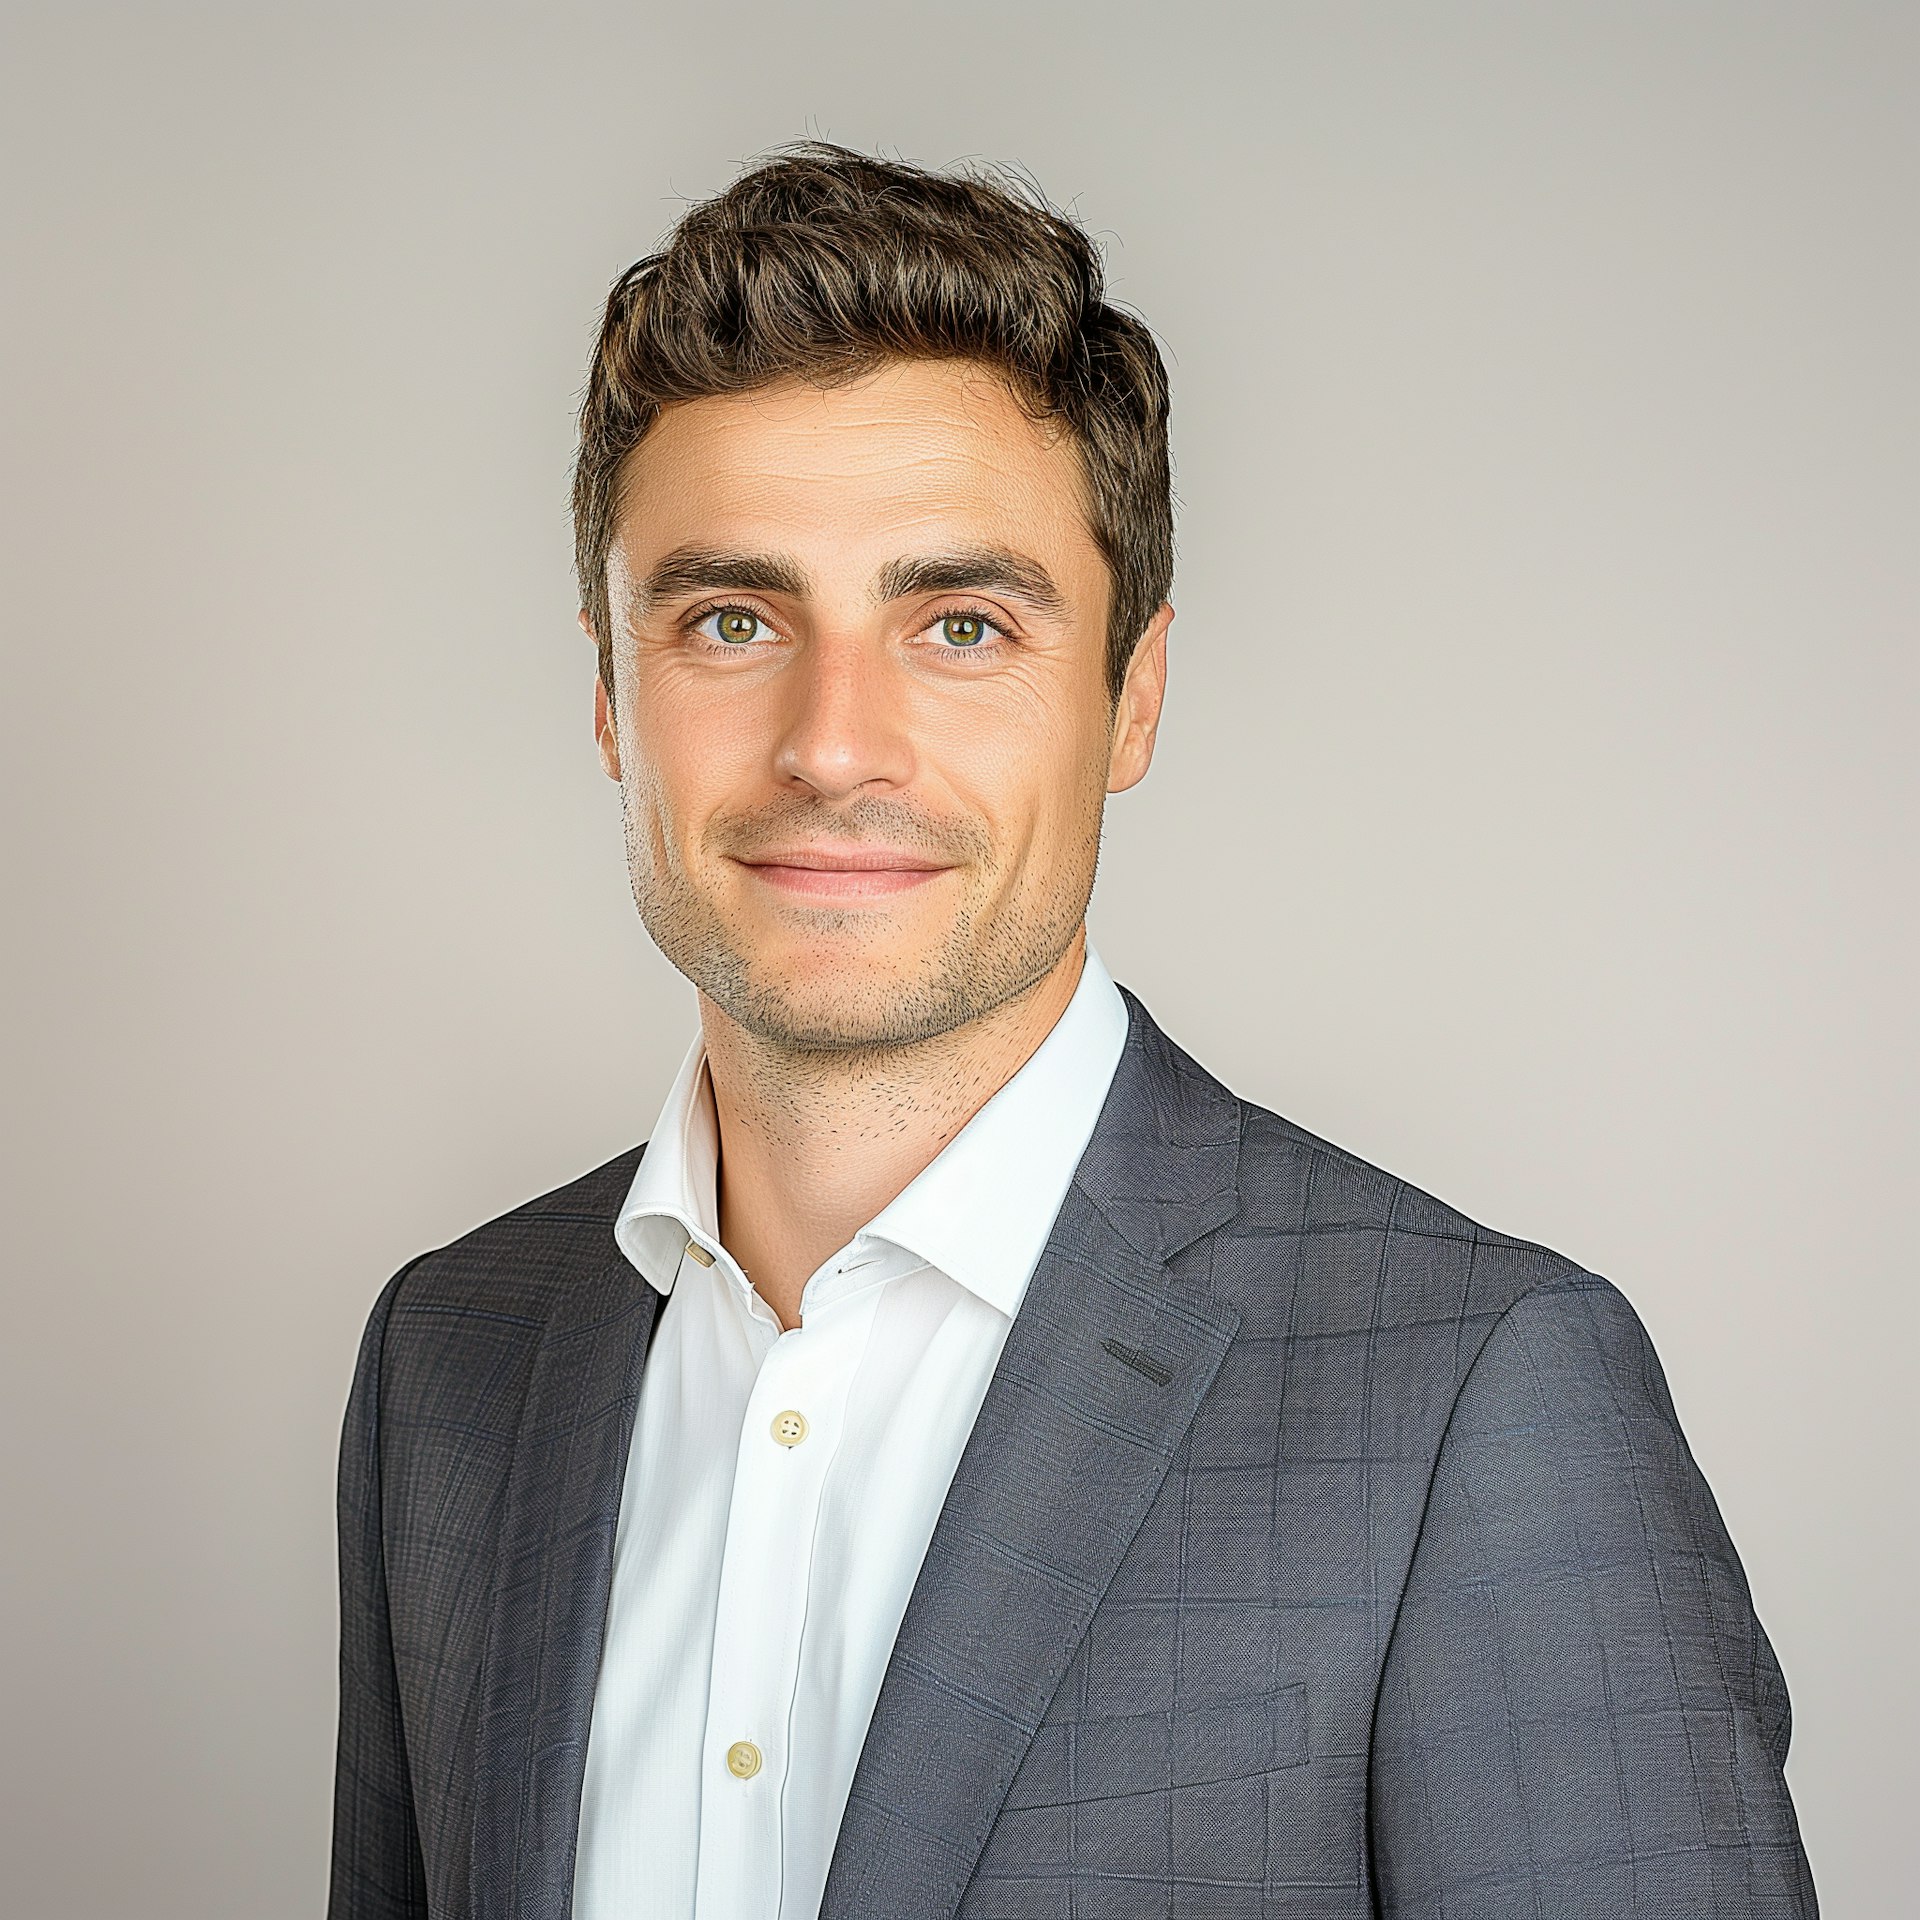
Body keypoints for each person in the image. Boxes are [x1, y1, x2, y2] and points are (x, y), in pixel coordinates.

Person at [329, 144, 1816, 1920]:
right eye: (732, 619)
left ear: (1133, 700)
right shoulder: (452, 1362)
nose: (833, 744)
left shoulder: (1475, 1397)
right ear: (607, 696)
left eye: (961, 625)